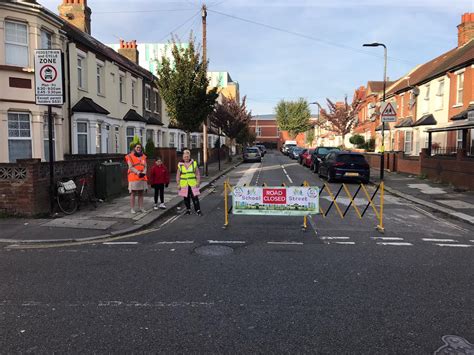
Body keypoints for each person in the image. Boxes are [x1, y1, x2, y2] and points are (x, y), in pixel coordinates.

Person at [176, 149, 202, 215]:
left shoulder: (194, 164)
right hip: (184, 184)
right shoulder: (180, 165)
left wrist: (198, 182)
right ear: (183, 157)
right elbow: (178, 175)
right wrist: (178, 184)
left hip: (193, 183)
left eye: (187, 156)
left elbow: (197, 173)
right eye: (185, 157)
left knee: (195, 197)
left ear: (189, 156)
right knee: (186, 198)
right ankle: (188, 210)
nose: (186, 158)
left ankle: (198, 210)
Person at [125, 143, 148, 214]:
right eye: (137, 147)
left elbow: (145, 166)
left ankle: (141, 208)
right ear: (134, 148)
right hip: (134, 177)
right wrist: (138, 173)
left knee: (141, 193)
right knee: (133, 193)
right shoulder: (130, 156)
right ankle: (132, 209)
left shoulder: (143, 156)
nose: (139, 149)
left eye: (140, 147)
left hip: (142, 177)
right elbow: (130, 167)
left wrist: (143, 172)